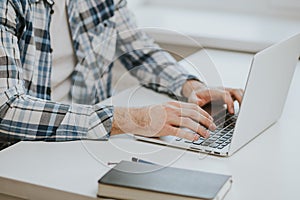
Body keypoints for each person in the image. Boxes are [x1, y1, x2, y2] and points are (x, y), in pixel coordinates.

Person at [0, 0, 243, 149]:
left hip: (87, 139)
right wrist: (135, 119)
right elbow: (6, 108)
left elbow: (139, 51)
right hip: (23, 150)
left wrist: (190, 86)